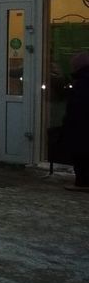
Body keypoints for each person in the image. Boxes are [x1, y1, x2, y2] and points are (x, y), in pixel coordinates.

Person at [61, 51, 89, 191]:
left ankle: (82, 182)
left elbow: (77, 106)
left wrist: (68, 122)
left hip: (81, 125)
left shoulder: (82, 82)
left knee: (81, 151)